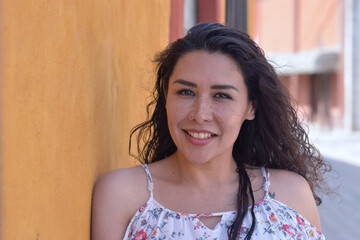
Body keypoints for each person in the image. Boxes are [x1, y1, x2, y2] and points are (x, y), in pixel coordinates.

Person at [91, 23, 329, 240]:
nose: (200, 114)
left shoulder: (291, 196)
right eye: (186, 92)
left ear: (251, 107)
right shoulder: (121, 195)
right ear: (166, 96)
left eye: (222, 96)